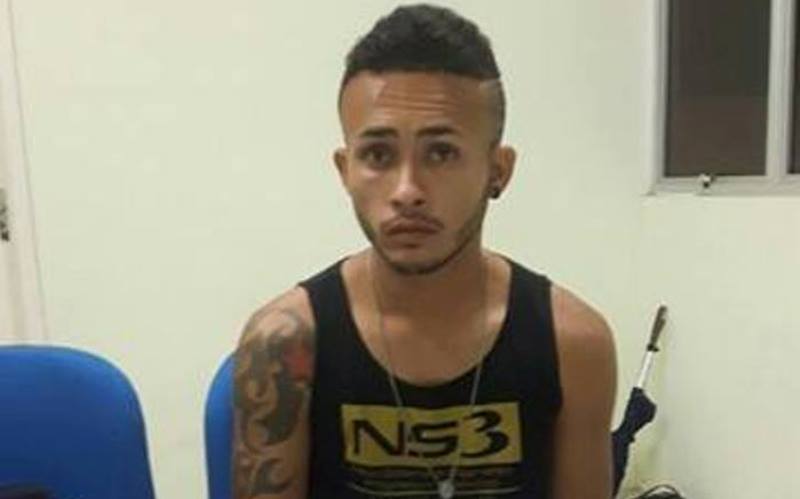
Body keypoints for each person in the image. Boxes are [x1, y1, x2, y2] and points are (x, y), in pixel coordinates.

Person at [232, 4, 616, 498]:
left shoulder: (574, 345)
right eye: (378, 155)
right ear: (345, 171)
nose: (407, 191)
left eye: (441, 153)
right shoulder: (283, 345)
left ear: (498, 171)